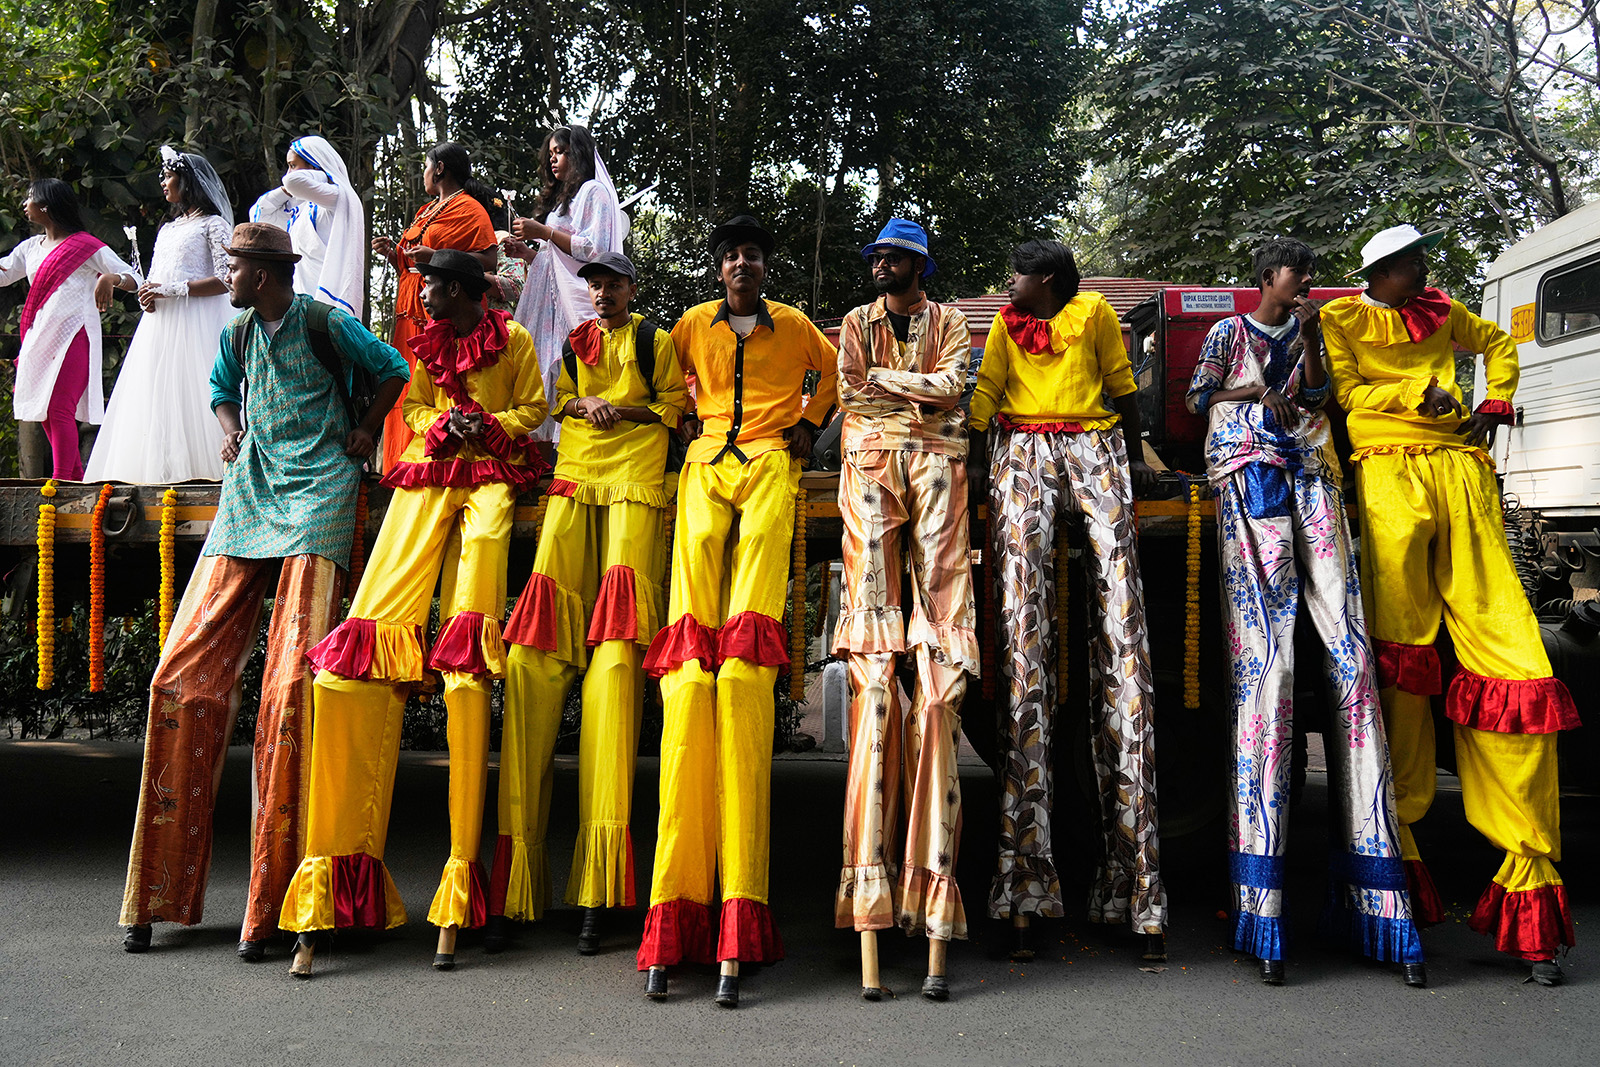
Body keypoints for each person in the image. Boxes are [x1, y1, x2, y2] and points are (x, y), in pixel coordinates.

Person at [118, 222, 407, 958]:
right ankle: (156, 895)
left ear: (267, 274)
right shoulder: (238, 331)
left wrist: (366, 430)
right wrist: (230, 428)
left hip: (322, 488)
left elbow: (393, 367)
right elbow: (222, 390)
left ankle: (274, 909)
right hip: (253, 485)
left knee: (289, 689)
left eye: (237, 266)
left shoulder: (324, 321)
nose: (229, 275)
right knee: (176, 677)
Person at [1322, 223, 1580, 985]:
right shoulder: (1342, 318)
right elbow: (1346, 392)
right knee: (1400, 662)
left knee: (1515, 664)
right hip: (1387, 471)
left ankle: (1529, 879)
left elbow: (1498, 344)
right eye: (1413, 263)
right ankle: (1398, 876)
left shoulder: (1442, 309)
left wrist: (1494, 402)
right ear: (1382, 271)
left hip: (1459, 470)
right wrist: (1418, 392)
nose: (1425, 270)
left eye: (1424, 260)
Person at [283, 249, 547, 977]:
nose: (421, 293)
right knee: (346, 671)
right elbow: (418, 407)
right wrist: (441, 427)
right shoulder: (424, 345)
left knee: (467, 672)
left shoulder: (514, 340)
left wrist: (485, 424)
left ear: (458, 290)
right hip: (429, 478)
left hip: (491, 480)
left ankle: (461, 882)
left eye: (430, 284)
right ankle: (335, 877)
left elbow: (534, 407)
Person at [1187, 237, 1424, 987]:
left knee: (1351, 665)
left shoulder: (1311, 330)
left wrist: (1313, 343)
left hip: (1312, 476)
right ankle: (1261, 909)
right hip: (1249, 478)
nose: (1309, 283)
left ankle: (1378, 902)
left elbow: (1320, 400)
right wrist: (1253, 396)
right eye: (1299, 273)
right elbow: (1199, 399)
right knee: (1270, 670)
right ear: (1268, 277)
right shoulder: (1228, 332)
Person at [637, 215, 838, 1007]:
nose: (741, 265)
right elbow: (667, 376)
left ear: (763, 266)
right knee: (694, 581)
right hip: (706, 457)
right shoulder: (692, 324)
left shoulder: (796, 326)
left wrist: (808, 427)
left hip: (769, 456)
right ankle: (696, 646)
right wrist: (685, 415)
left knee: (757, 561)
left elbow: (832, 373)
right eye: (731, 257)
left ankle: (745, 645)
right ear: (719, 268)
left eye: (752, 255)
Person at [968, 239, 1165, 962]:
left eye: (1016, 273)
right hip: (1019, 452)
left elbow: (1122, 388)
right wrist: (974, 468)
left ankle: (1136, 890)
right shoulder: (1004, 325)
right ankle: (1023, 886)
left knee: (1125, 644)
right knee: (1023, 649)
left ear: (1046, 279)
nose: (1008, 283)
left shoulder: (1096, 315)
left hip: (1095, 446)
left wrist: (1137, 460)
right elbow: (986, 394)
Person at [489, 250, 686, 955]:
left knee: (616, 668)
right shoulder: (576, 344)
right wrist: (582, 404)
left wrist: (618, 408)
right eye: (594, 284)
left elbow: (673, 408)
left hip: (635, 480)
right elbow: (558, 400)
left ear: (632, 287)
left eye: (612, 284)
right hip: (575, 476)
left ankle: (598, 893)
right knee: (529, 658)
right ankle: (515, 885)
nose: (602, 293)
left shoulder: (654, 340)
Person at [832, 219, 978, 1002]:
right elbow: (849, 391)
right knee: (877, 681)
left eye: (892, 256)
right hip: (871, 465)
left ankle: (931, 894)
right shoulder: (856, 321)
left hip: (940, 466)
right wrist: (914, 394)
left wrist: (894, 389)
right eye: (877, 256)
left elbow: (954, 387)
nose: (881, 264)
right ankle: (870, 890)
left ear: (918, 264)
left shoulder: (949, 320)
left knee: (940, 682)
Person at [85, 146, 234, 483]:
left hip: (198, 325)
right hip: (160, 328)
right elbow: (153, 278)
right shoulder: (167, 229)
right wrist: (135, 288)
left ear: (188, 181)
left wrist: (173, 290)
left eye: (168, 177)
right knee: (157, 401)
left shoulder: (213, 225)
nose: (163, 183)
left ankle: (209, 476)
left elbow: (227, 280)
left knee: (195, 395)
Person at [0, 178, 140, 480]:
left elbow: (135, 279)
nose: (24, 204)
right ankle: (74, 479)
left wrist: (110, 279)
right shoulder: (30, 248)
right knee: (44, 412)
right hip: (39, 338)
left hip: (74, 336)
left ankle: (60, 483)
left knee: (59, 409)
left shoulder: (86, 246)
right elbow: (4, 274)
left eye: (30, 198)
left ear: (46, 206)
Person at [373, 142, 499, 470]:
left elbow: (489, 260)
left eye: (426, 167)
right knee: (407, 384)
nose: (424, 174)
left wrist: (437, 258)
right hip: (411, 307)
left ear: (440, 168)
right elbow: (412, 263)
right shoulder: (425, 210)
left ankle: (439, 462)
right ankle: (400, 464)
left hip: (446, 309)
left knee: (438, 384)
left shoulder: (470, 208)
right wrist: (394, 254)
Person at [503, 125, 628, 443]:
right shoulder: (564, 201)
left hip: (576, 302)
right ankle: (546, 457)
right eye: (551, 153)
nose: (553, 159)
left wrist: (543, 232)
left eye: (561, 152)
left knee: (573, 372)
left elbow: (593, 249)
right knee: (545, 375)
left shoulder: (594, 192)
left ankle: (576, 446)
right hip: (550, 304)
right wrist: (528, 253)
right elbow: (557, 261)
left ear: (579, 154)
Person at [249, 135, 366, 318]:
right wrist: (289, 187)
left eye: (293, 165)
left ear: (313, 165)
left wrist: (320, 173)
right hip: (299, 301)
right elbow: (259, 214)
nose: (288, 173)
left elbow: (293, 182)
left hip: (326, 302)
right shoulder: (300, 208)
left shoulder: (338, 198)